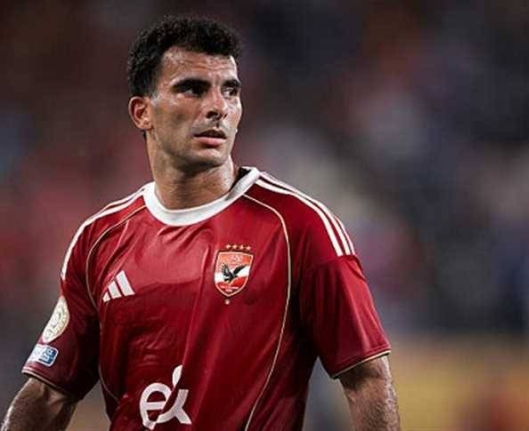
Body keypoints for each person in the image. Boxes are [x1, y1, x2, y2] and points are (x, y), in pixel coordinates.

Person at [1, 15, 400, 431]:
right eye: (193, 89)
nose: (217, 107)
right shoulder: (98, 241)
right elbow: (48, 393)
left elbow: (367, 379)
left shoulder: (299, 227)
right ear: (142, 112)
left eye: (230, 90)